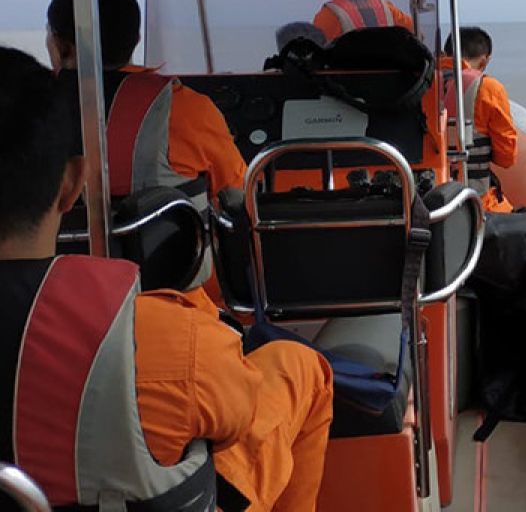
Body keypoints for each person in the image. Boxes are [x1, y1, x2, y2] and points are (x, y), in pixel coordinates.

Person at [0, 46, 333, 511]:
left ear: (57, 45)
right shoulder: (168, 341)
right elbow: (237, 195)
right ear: (73, 184)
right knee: (300, 367)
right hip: (183, 328)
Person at [45, 0, 246, 198]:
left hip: (46, 232)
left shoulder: (18, 104)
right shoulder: (184, 107)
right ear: (136, 40)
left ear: (60, 45)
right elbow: (235, 192)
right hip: (167, 232)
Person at [441, 27, 517, 214]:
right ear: (485, 60)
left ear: (445, 54)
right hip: (472, 200)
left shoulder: (420, 84)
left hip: (424, 197)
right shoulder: (488, 88)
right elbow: (506, 157)